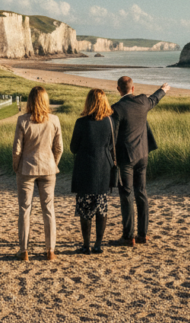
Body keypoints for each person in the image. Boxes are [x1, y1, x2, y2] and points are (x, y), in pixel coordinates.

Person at [110, 77, 169, 247]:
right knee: (141, 192)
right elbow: (154, 99)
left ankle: (129, 236)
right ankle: (142, 234)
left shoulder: (116, 109)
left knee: (127, 195)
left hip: (126, 159)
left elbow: (113, 135)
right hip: (143, 155)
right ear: (133, 88)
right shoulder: (143, 101)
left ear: (118, 89)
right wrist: (163, 89)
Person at [11, 86, 63, 262]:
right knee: (48, 209)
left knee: (25, 209)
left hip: (27, 168)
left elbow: (17, 149)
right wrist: (53, 163)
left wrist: (16, 167)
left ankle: (24, 250)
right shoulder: (54, 120)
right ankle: (50, 250)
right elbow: (59, 148)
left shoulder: (23, 121)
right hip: (48, 168)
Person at [70, 88, 116, 255]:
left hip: (85, 168)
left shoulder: (81, 123)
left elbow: (73, 148)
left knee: (85, 209)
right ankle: (98, 244)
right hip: (104, 168)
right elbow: (112, 146)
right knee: (101, 207)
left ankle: (86, 245)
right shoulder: (111, 122)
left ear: (88, 102)